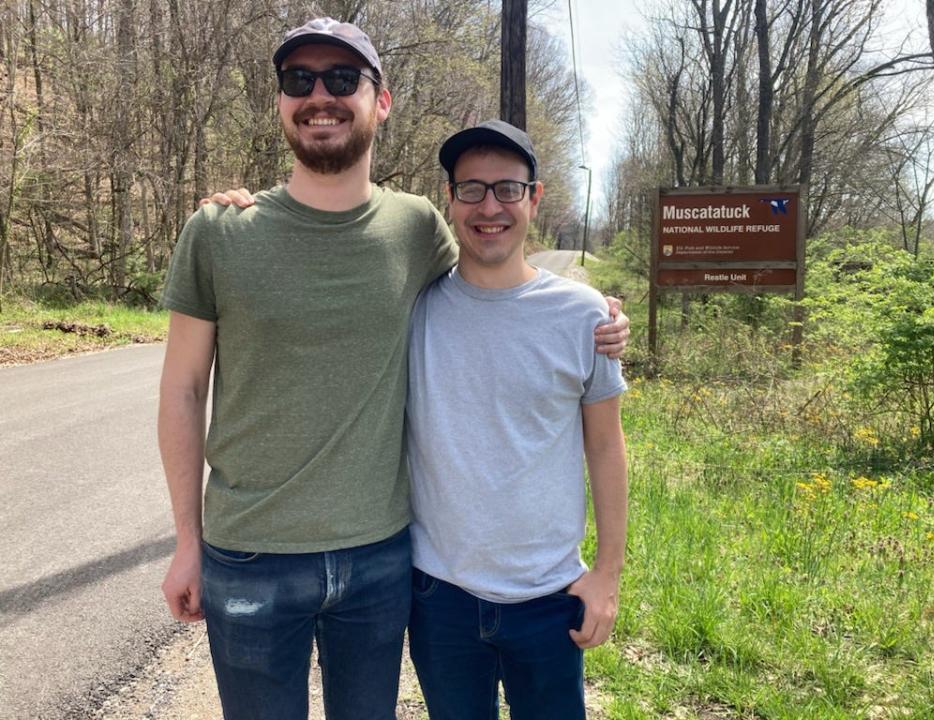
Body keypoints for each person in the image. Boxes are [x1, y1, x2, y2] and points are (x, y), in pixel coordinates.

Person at [157, 17, 629, 720]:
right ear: (282, 101)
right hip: (249, 556)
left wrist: (599, 319)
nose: (321, 95)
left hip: (380, 560)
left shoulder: (414, 230)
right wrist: (186, 542)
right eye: (300, 80)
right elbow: (183, 390)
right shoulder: (220, 230)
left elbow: (499, 281)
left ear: (381, 101)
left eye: (343, 79)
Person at [404, 120, 628, 720]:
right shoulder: (415, 307)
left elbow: (606, 447)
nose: (490, 207)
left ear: (535, 197)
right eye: (471, 189)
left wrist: (606, 573)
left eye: (508, 189)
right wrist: (246, 207)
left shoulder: (583, 315)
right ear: (449, 200)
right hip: (439, 595)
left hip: (550, 596)